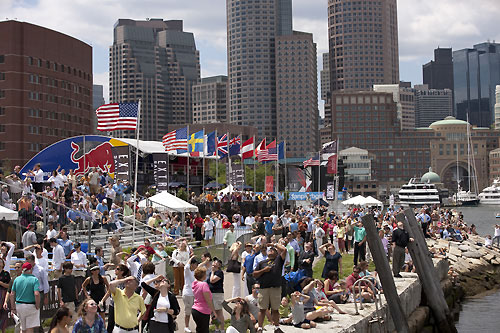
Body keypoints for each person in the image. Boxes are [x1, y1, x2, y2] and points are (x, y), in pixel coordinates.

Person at [253, 243, 287, 333]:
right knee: (262, 309)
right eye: (269, 250)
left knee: (275, 309)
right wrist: (264, 270)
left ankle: (276, 327)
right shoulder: (261, 263)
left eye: (273, 250)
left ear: (276, 254)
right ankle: (260, 328)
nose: (270, 251)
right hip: (264, 288)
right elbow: (255, 274)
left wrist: (274, 244)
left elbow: (284, 250)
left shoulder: (278, 260)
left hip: (275, 288)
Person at [11, 262, 40, 333]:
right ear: (30, 269)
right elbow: (36, 294)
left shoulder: (17, 279)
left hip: (19, 305)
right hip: (31, 305)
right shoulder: (34, 279)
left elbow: (12, 294)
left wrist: (13, 307)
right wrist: (37, 305)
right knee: (29, 328)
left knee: (23, 328)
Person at [191, 266, 216, 333]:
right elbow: (208, 300)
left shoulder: (194, 283)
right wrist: (213, 312)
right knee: (204, 330)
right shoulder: (203, 285)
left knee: (199, 329)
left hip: (195, 309)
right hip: (203, 310)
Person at [207, 258, 224, 332]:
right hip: (211, 293)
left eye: (216, 262)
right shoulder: (211, 272)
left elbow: (212, 280)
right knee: (213, 312)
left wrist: (213, 272)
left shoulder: (219, 272)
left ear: (219, 265)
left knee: (218, 312)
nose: (213, 263)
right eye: (213, 262)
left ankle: (222, 329)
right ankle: (217, 328)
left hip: (217, 294)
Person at [182, 256, 199, 333]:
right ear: (192, 264)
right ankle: (186, 326)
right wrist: (191, 257)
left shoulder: (195, 272)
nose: (197, 266)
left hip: (195, 294)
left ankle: (198, 326)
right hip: (188, 294)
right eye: (196, 264)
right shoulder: (187, 271)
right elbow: (186, 267)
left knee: (196, 311)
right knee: (188, 311)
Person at [0, 258, 11, 333]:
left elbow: (9, 286)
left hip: (3, 294)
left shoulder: (6, 274)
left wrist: (1, 283)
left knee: (4, 313)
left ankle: (3, 330)